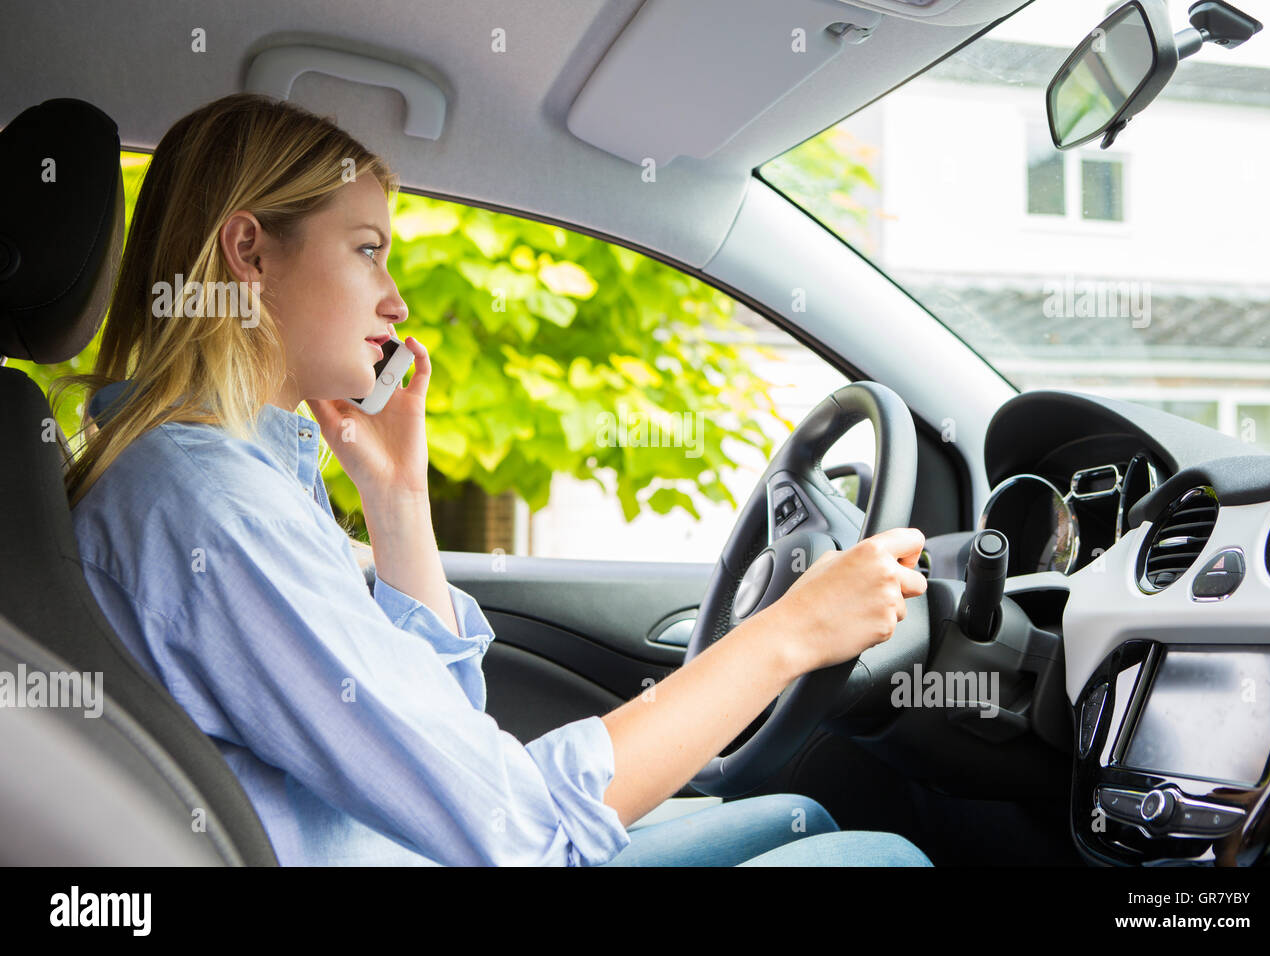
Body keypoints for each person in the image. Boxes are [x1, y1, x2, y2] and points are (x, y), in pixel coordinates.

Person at [57, 93, 931, 867]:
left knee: (799, 819)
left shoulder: (229, 476)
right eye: (367, 250)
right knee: (880, 857)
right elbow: (515, 829)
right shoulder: (209, 509)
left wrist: (398, 504)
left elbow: (440, 729)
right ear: (249, 251)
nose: (395, 300)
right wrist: (791, 632)